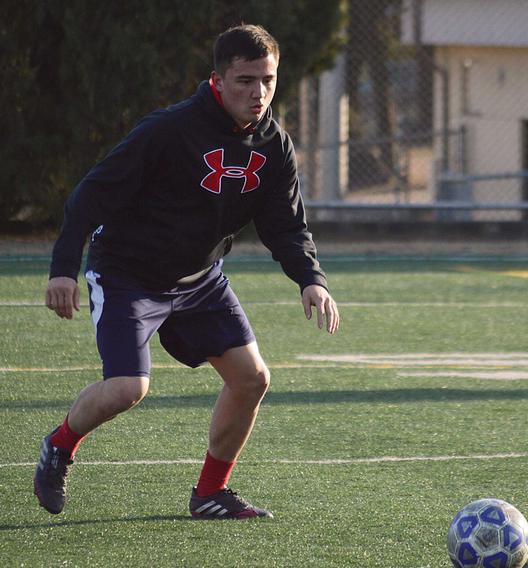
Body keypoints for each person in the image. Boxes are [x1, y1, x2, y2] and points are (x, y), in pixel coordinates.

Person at [36, 24, 339, 520]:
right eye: (244, 80)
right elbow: (90, 195)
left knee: (252, 379)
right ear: (217, 80)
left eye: (268, 79)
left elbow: (286, 225)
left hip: (200, 281)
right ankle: (59, 445)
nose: (258, 92)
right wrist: (64, 268)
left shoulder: (273, 144)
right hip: (128, 275)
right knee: (127, 389)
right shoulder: (168, 130)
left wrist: (311, 279)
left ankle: (210, 494)